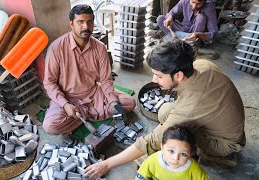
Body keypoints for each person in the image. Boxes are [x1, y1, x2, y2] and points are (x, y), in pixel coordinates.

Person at [84, 40, 245, 179]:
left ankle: (201, 152)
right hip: (223, 121)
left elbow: (149, 141)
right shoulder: (201, 65)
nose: (153, 79)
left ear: (179, 76)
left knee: (175, 133)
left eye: (159, 76)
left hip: (223, 143)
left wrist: (106, 164)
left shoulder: (191, 107)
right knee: (164, 111)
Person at [42, 4, 136, 134]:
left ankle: (84, 114)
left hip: (94, 94)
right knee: (50, 126)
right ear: (71, 24)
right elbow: (49, 83)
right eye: (80, 22)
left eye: (89, 21)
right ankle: (91, 113)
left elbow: (105, 80)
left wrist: (113, 102)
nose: (86, 26)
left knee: (129, 103)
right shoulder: (56, 48)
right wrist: (65, 104)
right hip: (68, 97)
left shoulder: (100, 47)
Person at [136, 125, 208, 180]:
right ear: (162, 147)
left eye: (183, 154)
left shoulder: (194, 169)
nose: (175, 158)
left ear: (190, 153)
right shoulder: (152, 161)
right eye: (171, 151)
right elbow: (141, 176)